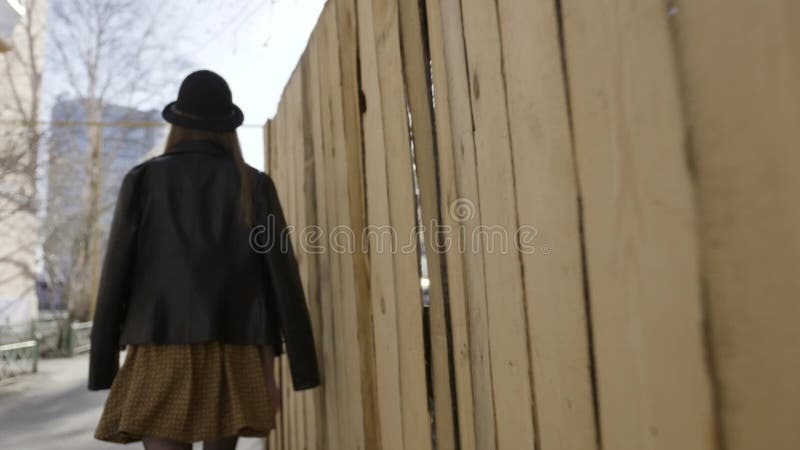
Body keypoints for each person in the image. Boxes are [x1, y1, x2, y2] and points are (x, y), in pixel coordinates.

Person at [87, 69, 320, 450]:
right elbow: (281, 280)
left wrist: (103, 364)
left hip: (160, 347)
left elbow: (115, 275)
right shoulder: (253, 183)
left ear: (177, 123)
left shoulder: (143, 179)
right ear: (227, 128)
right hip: (235, 349)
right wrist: (294, 366)